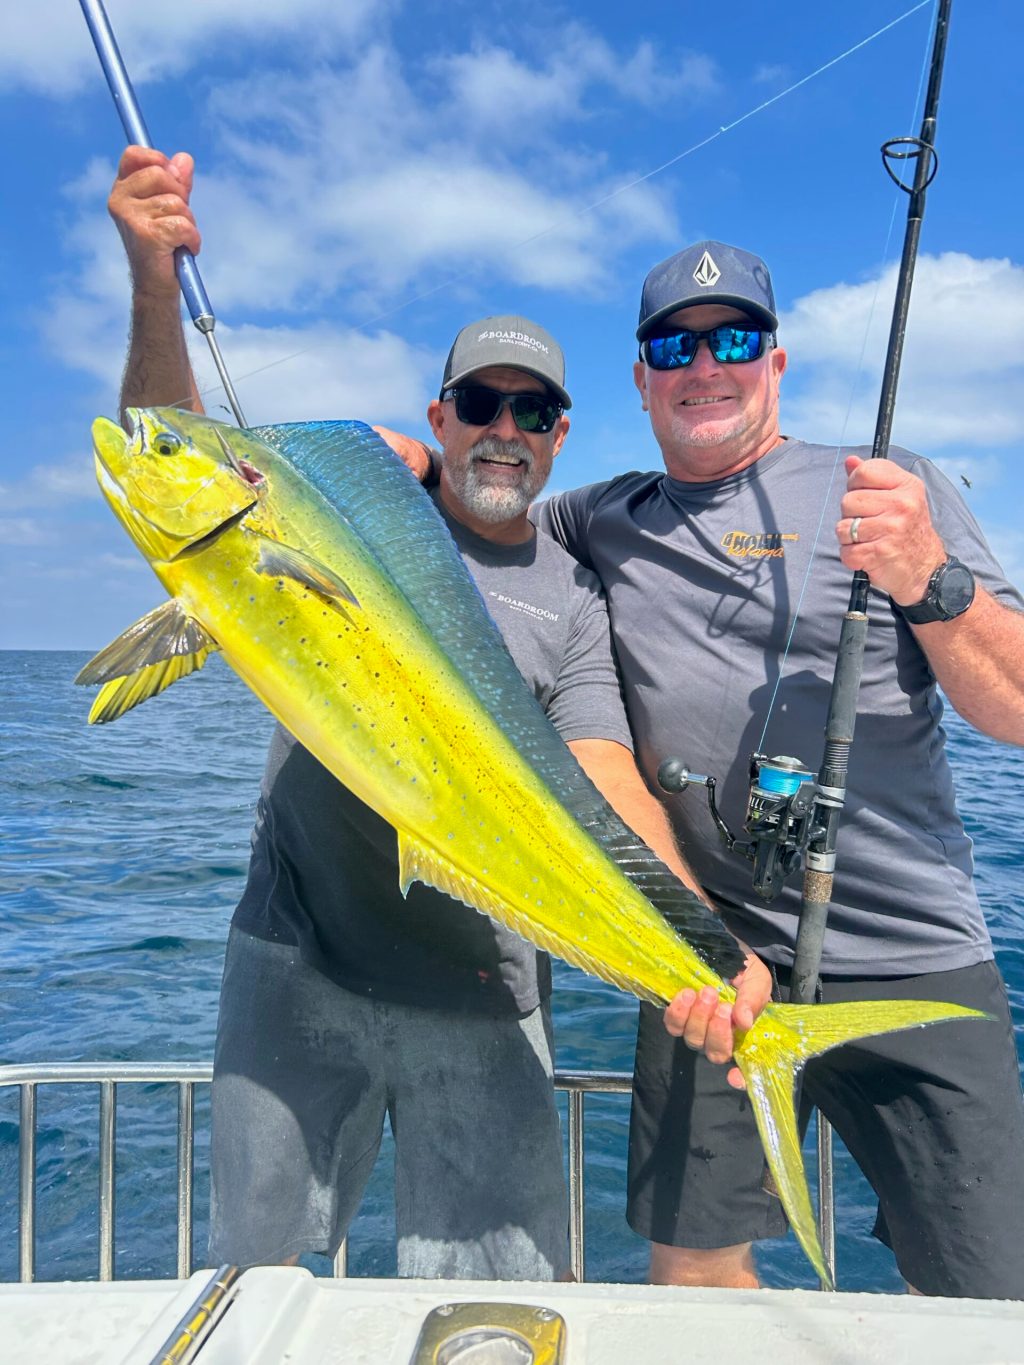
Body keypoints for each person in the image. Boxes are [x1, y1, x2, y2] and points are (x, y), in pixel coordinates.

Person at [105, 150, 769, 1278]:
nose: (504, 428)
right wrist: (155, 283)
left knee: (495, 1320)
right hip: (295, 963)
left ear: (560, 434)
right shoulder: (339, 508)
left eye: (533, 410)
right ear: (439, 417)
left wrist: (705, 946)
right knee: (255, 1289)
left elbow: (602, 777)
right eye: (479, 404)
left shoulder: (575, 598)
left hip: (486, 991)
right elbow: (168, 440)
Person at [527, 240, 1024, 1298]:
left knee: (987, 1294)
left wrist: (928, 576)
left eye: (734, 339)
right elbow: (479, 517)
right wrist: (412, 458)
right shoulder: (598, 519)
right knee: (695, 1276)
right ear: (641, 380)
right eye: (675, 347)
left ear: (777, 362)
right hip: (716, 960)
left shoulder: (890, 487)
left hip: (914, 955)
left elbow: (1015, 710)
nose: (705, 366)